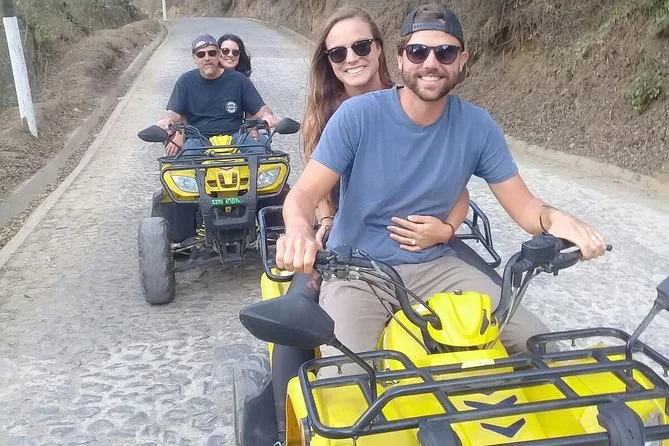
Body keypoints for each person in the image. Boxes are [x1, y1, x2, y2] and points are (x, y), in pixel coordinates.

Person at [276, 2, 608, 378]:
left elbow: (525, 206)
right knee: (348, 381)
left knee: (540, 344)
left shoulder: (477, 127)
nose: (431, 62)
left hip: (436, 267)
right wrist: (300, 231)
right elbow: (303, 194)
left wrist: (555, 219)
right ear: (400, 58)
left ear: (462, 60)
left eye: (445, 52)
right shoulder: (356, 116)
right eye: (418, 51)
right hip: (357, 271)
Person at [268, 6, 470, 444]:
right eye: (338, 53)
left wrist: (448, 229)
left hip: (419, 237)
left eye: (360, 46)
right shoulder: (325, 116)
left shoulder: (419, 96)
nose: (351, 58)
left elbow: (458, 185)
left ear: (381, 50)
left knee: (489, 299)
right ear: (328, 62)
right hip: (344, 238)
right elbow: (314, 189)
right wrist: (323, 223)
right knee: (296, 313)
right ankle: (287, 427)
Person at [158, 33, 278, 156]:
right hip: (198, 138)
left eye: (212, 53)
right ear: (194, 58)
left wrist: (267, 116)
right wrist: (167, 120)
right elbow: (174, 112)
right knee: (187, 159)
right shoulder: (185, 81)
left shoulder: (239, 80)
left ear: (218, 55)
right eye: (201, 54)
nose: (207, 58)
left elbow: (260, 108)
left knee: (260, 154)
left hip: (236, 136)